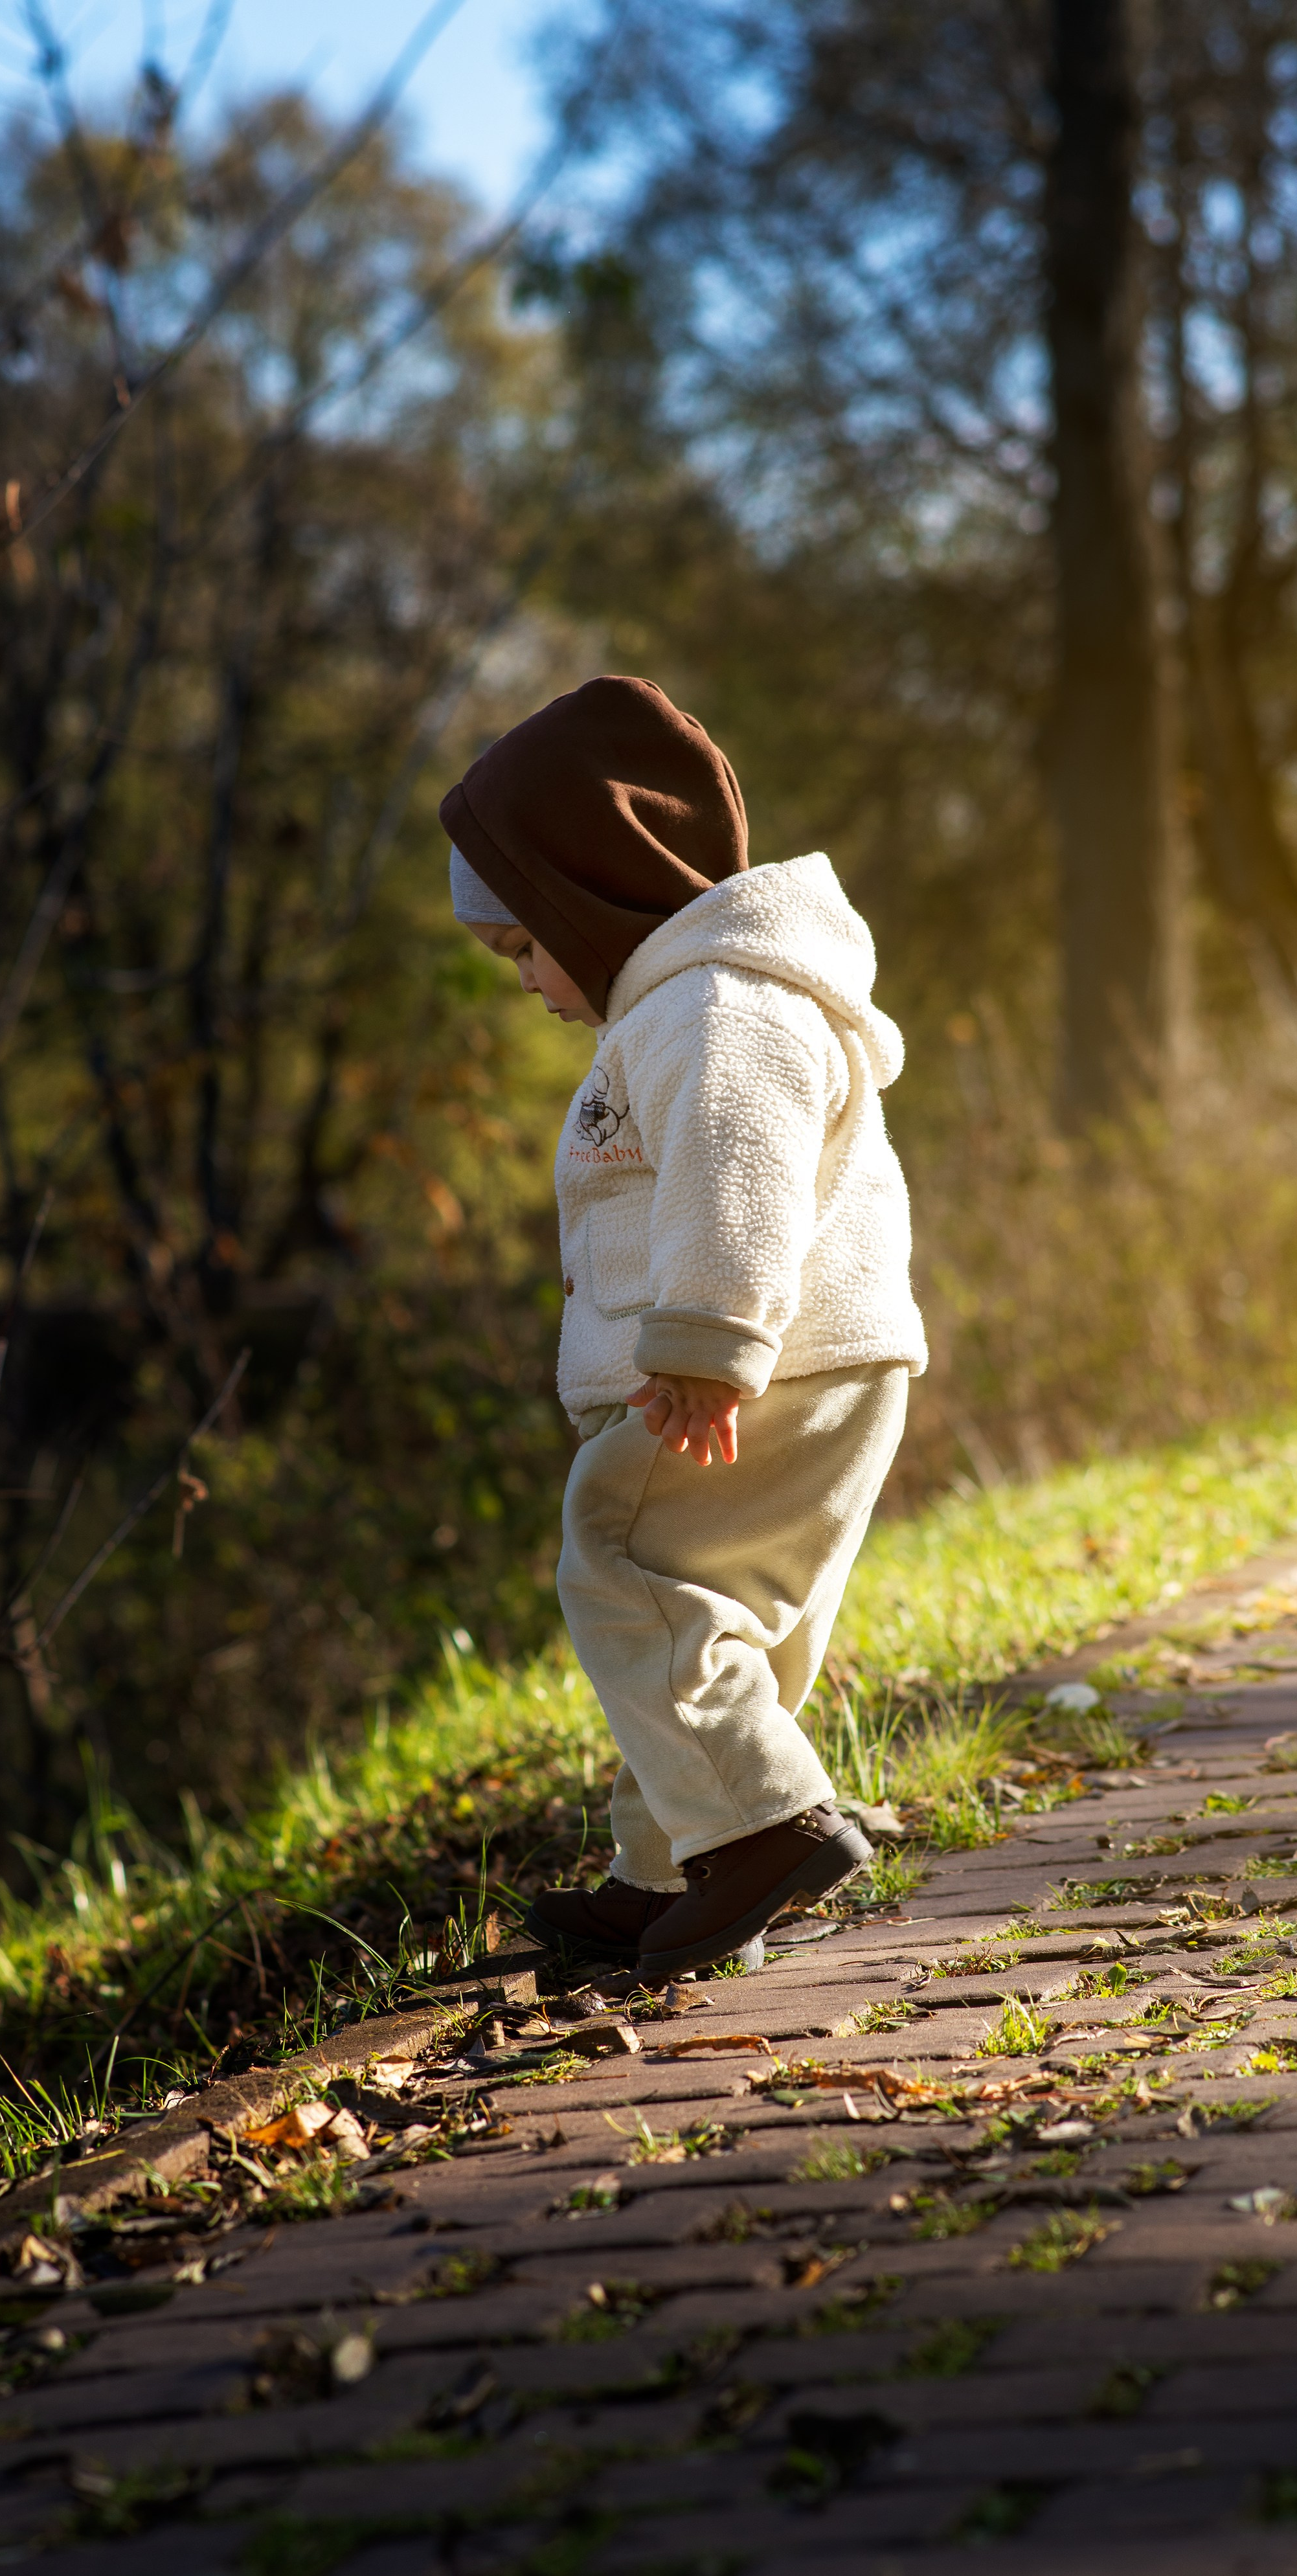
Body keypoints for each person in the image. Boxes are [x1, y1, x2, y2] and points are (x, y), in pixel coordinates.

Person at [440, 675, 926, 1985]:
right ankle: (674, 1870)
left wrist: (701, 1345)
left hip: (745, 1366)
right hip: (813, 1354)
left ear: (591, 890)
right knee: (717, 1619)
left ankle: (763, 1830)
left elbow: (737, 1165)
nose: (528, 979)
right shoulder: (707, 998)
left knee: (624, 1576)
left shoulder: (711, 1008)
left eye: (523, 944)